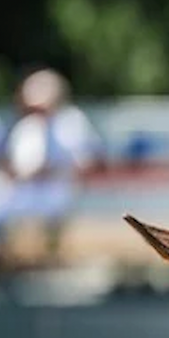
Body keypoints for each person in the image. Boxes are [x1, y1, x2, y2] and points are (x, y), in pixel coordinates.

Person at [0, 68, 100, 265]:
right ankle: (8, 256)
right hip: (22, 187)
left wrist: (52, 170)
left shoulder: (72, 123)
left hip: (58, 185)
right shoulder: (24, 125)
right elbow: (11, 160)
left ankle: (51, 254)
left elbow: (87, 161)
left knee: (56, 202)